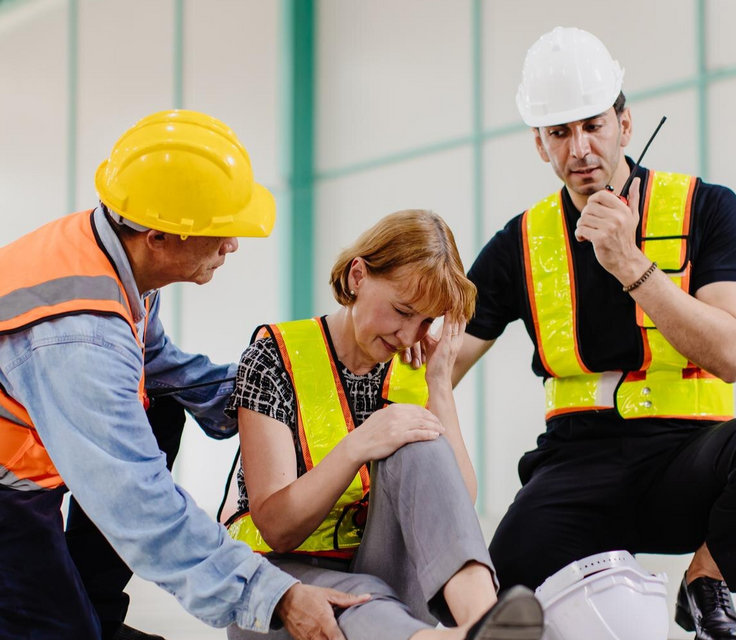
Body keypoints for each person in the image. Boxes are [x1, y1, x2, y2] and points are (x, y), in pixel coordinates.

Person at [0, 110, 366, 640]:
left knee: (159, 406)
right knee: (45, 630)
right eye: (219, 232)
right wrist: (270, 594)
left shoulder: (111, 258)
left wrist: (279, 394)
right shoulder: (78, 336)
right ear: (159, 236)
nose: (232, 246)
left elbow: (163, 368)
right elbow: (134, 498)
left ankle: (93, 616)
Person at [416, 28, 736, 640]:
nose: (579, 149)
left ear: (625, 124)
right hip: (577, 463)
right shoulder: (518, 245)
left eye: (593, 125)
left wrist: (632, 266)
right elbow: (438, 360)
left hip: (689, 461)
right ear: (540, 144)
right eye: (559, 133)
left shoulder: (706, 209)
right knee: (487, 596)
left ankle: (705, 583)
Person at [221, 209, 544, 640]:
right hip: (280, 586)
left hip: (383, 580)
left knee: (423, 441)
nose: (410, 336)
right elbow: (278, 529)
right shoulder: (273, 358)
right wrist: (359, 445)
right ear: (358, 277)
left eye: (427, 321)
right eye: (402, 310)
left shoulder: (413, 369)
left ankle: (482, 621)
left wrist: (440, 387)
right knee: (363, 594)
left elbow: (453, 507)